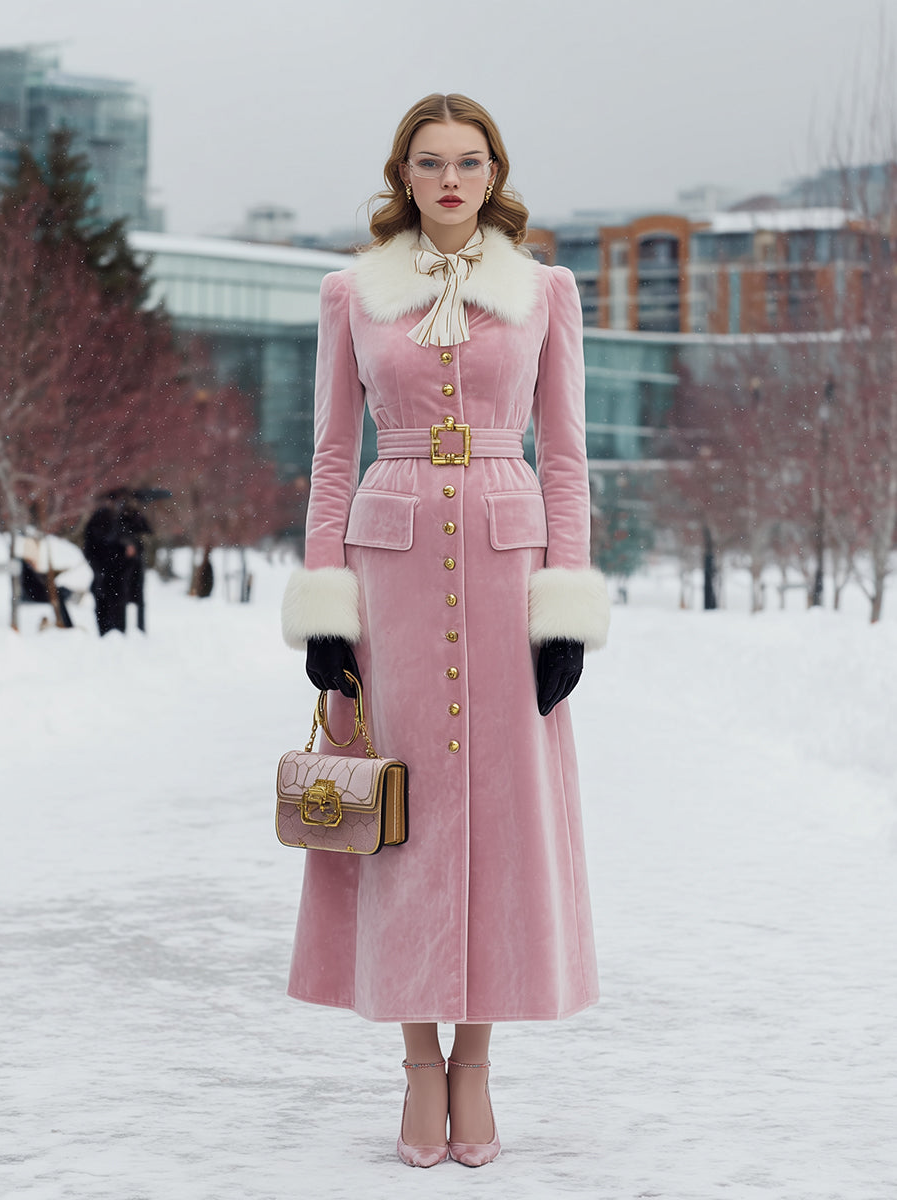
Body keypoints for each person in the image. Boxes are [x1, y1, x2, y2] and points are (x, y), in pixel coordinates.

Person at [280, 94, 610, 1168]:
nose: (452, 179)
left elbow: (566, 458)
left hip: (511, 573)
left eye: (470, 161)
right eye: (432, 162)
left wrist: (566, 602)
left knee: (501, 826)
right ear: (405, 176)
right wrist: (325, 605)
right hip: (394, 574)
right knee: (401, 817)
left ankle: (477, 1065)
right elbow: (334, 456)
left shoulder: (545, 291)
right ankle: (420, 1065)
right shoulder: (351, 294)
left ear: (494, 171)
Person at [83, 490, 152, 635]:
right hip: (109, 571)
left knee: (113, 608)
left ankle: (116, 634)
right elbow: (92, 546)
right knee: (108, 608)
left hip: (116, 572)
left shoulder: (125, 518)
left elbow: (142, 535)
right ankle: (112, 634)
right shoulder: (104, 519)